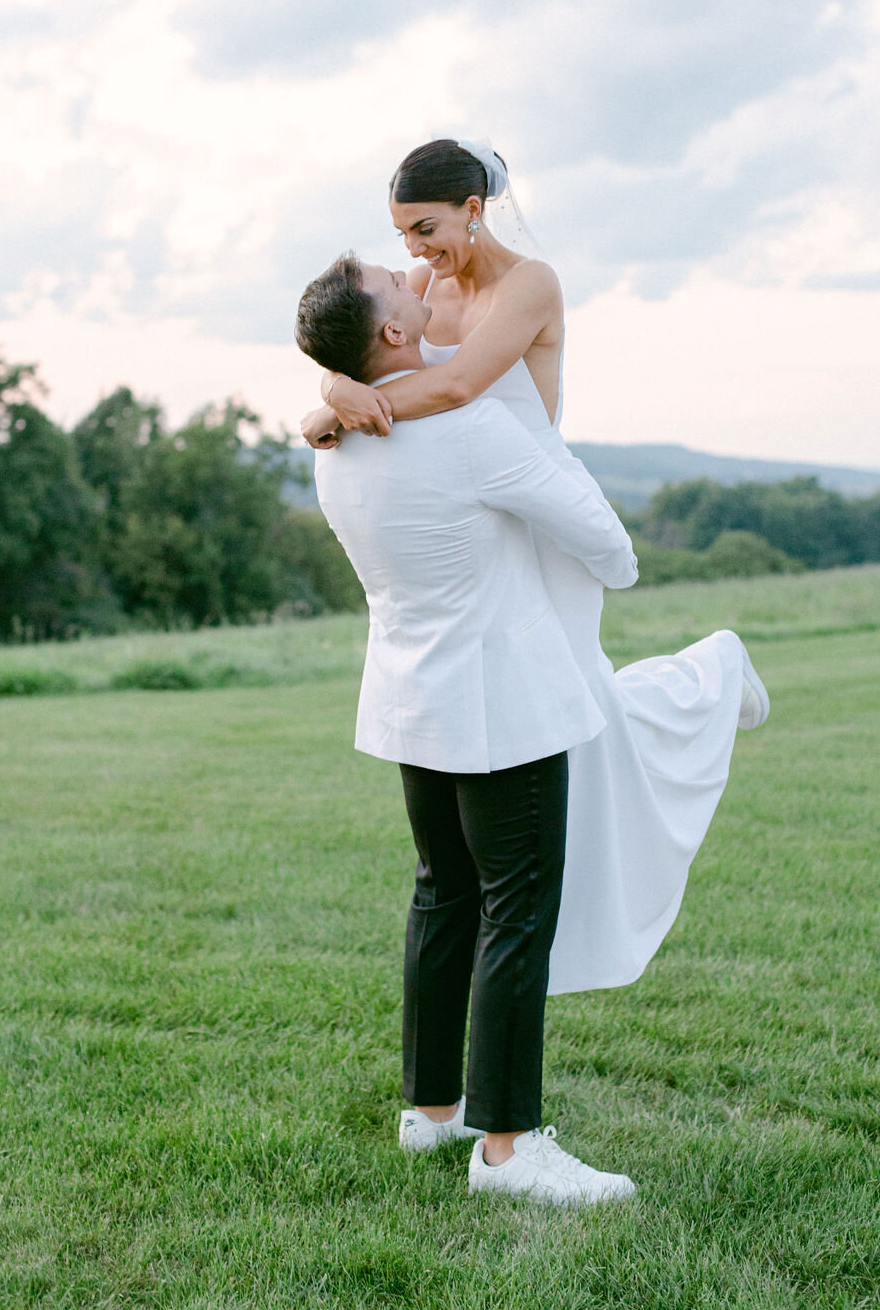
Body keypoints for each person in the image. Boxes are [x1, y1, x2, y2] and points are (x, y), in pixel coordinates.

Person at [300, 139, 770, 998]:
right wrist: (334, 387)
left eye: (427, 228)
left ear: (474, 208)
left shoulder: (532, 284)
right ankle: (711, 677)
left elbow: (451, 391)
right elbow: (379, 349)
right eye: (402, 235)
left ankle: (714, 674)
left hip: (533, 505)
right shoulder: (428, 290)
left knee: (581, 718)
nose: (415, 252)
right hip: (479, 521)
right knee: (591, 725)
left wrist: (336, 404)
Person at [295, 253, 640, 1205]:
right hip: (506, 704)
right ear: (396, 336)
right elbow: (608, 544)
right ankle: (508, 1149)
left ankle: (432, 1111)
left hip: (414, 701)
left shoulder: (334, 442)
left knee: (443, 897)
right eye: (397, 285)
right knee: (515, 915)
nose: (416, 276)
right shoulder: (469, 428)